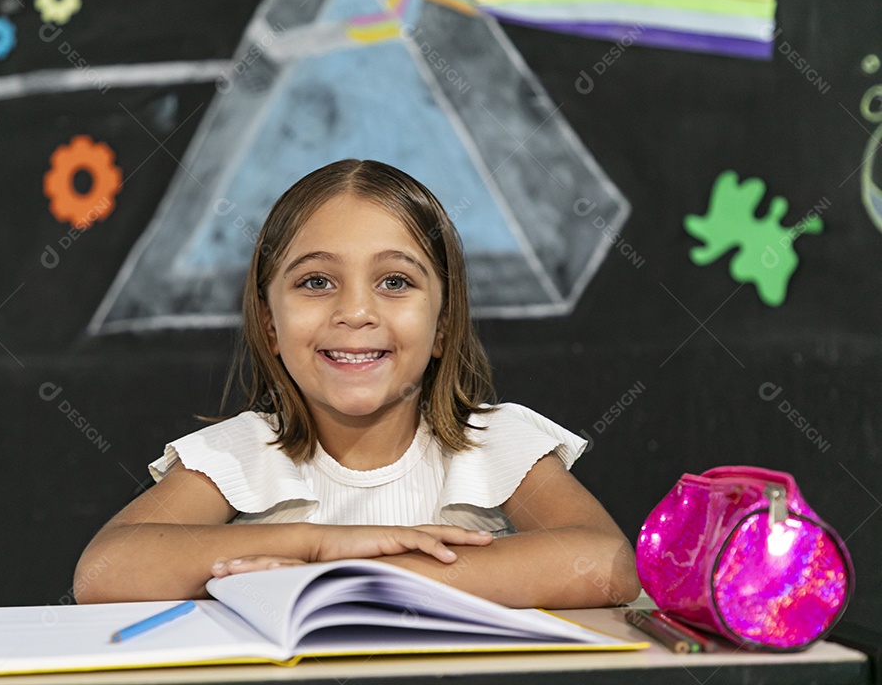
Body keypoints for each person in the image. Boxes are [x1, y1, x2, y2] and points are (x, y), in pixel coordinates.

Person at [74, 159, 640, 608]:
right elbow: (105, 571)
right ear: (270, 324)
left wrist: (350, 577)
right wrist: (318, 543)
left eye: (394, 281)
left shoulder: (490, 442)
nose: (355, 312)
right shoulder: (242, 453)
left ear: (442, 325)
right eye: (316, 282)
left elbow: (604, 563)